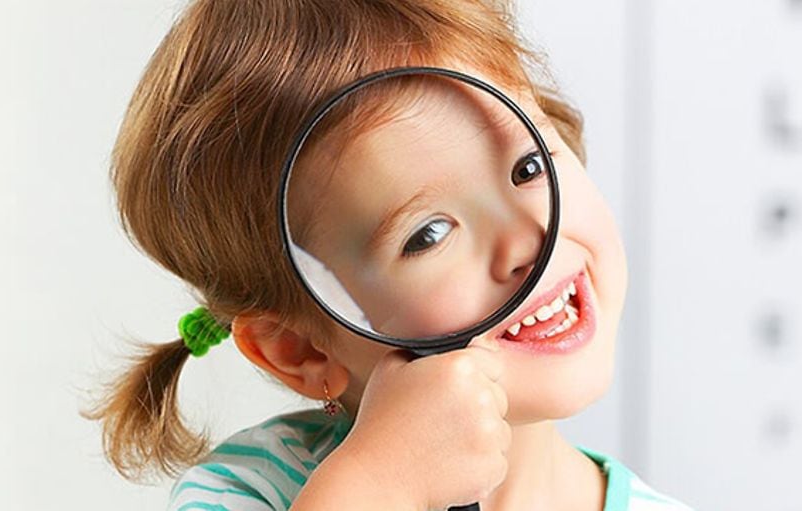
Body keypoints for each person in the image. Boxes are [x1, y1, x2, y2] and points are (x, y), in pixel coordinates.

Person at [84, 1, 692, 510]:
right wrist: (380, 487)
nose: (524, 242)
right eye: (428, 234)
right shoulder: (253, 488)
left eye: (528, 167)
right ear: (301, 349)